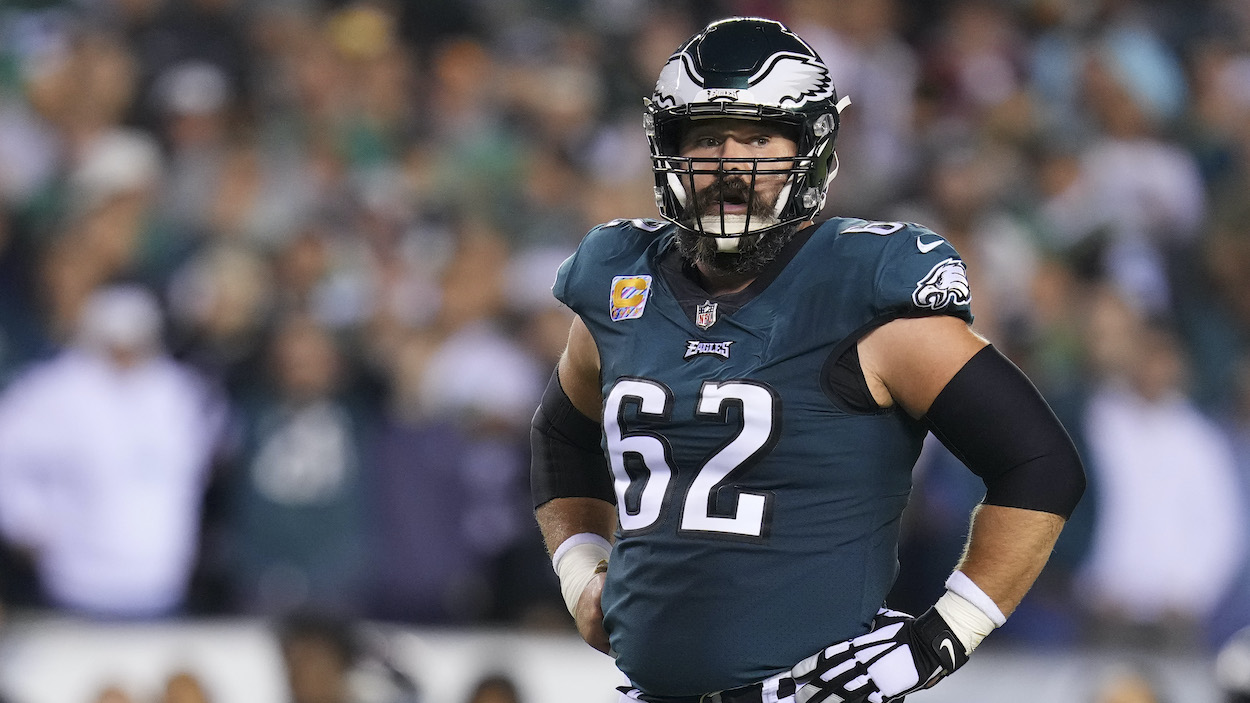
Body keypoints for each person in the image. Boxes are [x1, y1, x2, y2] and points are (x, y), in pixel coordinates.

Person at [530, 17, 1086, 703]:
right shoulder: (622, 282)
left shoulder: (861, 284)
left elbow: (1040, 464)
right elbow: (560, 434)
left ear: (810, 149)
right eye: (706, 138)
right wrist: (579, 566)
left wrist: (941, 635)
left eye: (758, 137)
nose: (729, 164)